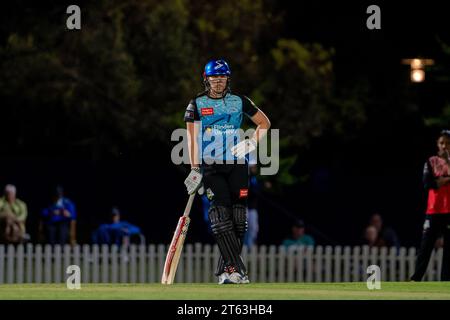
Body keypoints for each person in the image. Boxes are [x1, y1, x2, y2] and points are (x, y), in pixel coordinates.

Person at [183, 59, 271, 284]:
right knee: (220, 218)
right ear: (206, 79)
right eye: (214, 77)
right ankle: (235, 268)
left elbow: (264, 123)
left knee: (239, 220)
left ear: (228, 79)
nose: (218, 81)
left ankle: (226, 271)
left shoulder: (239, 101)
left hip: (238, 165)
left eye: (222, 77)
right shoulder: (197, 104)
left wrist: (252, 142)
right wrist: (194, 169)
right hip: (211, 166)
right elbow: (192, 140)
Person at [411, 130, 450, 281]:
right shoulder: (432, 161)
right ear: (437, 144)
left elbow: (435, 183)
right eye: (442, 143)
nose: (444, 146)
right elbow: (428, 184)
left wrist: (440, 180)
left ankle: (446, 281)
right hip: (434, 210)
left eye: (448, 143)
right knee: (425, 246)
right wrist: (446, 180)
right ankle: (416, 278)